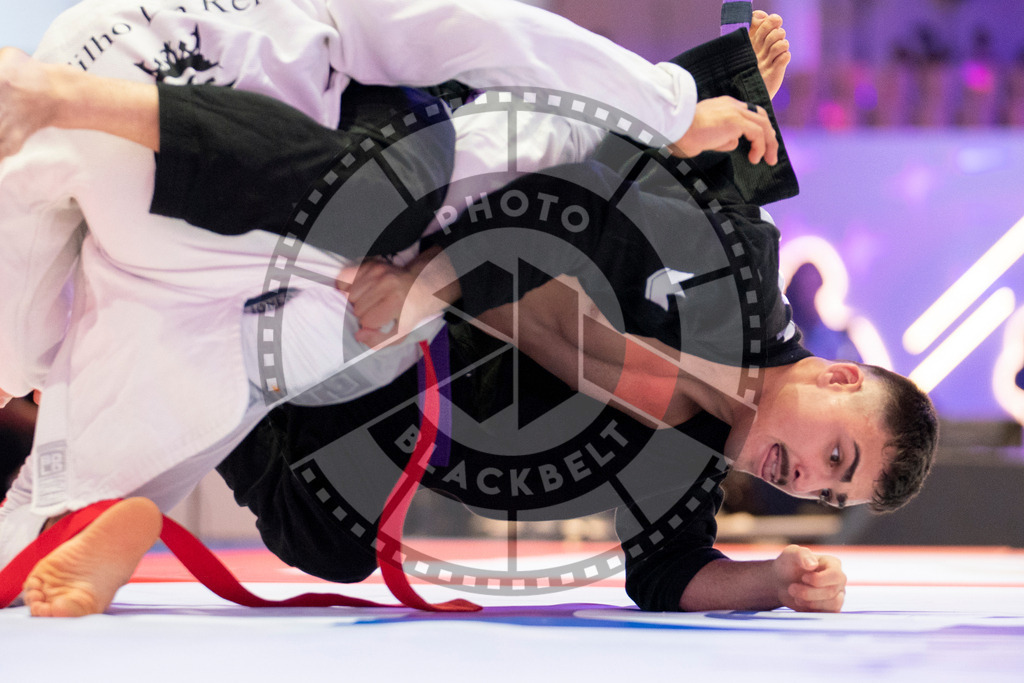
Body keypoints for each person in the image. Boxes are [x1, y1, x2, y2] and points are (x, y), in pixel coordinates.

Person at [14, 15, 934, 616]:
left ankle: (97, 495)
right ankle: (94, 482)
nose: (803, 478)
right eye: (834, 456)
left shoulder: (688, 454)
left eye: (824, 493)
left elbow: (665, 570)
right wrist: (689, 92)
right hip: (395, 177)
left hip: (387, 319)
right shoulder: (736, 263)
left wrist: (771, 580)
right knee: (369, 210)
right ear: (838, 378)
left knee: (327, 530)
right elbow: (574, 147)